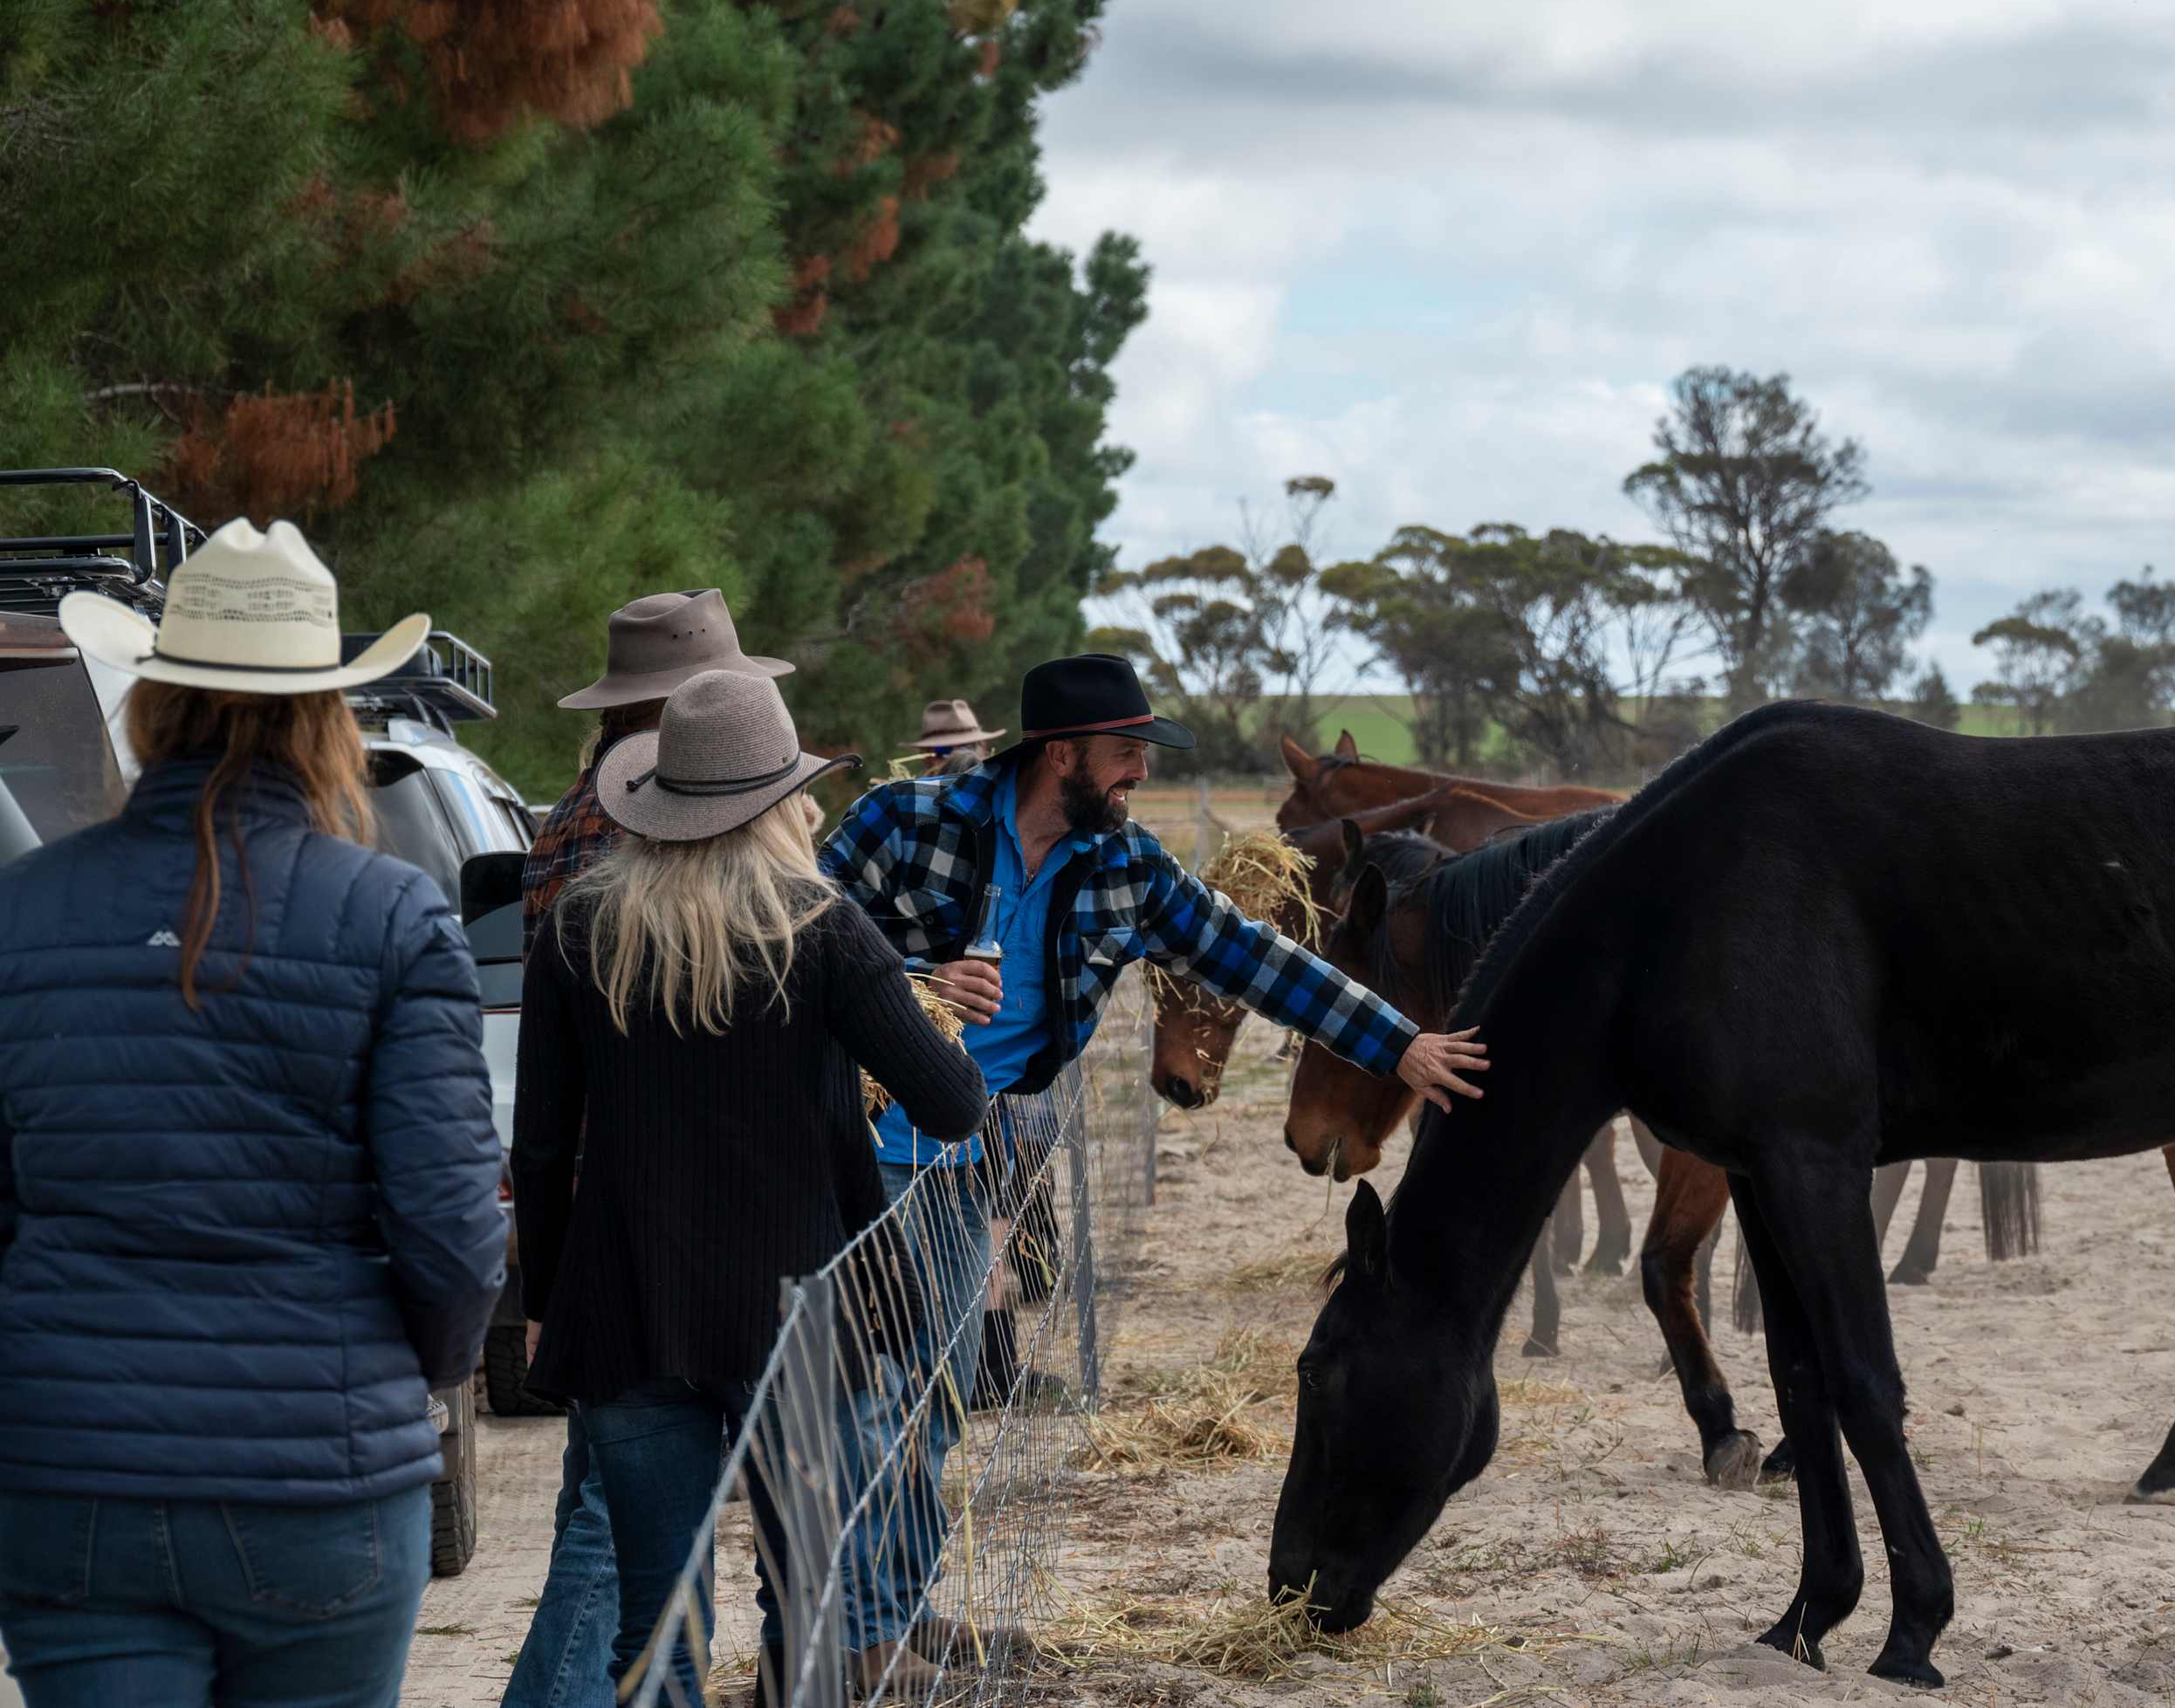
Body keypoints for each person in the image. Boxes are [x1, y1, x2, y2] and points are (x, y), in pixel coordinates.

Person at [822, 652, 1489, 1642]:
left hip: (963, 1149)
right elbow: (786, 934)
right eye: (1126, 752)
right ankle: (855, 1636)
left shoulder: (1124, 865)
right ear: (1061, 754)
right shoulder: (902, 820)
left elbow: (1252, 956)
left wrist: (1398, 1044)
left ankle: (896, 1616)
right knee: (875, 1398)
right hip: (854, 1144)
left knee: (938, 1394)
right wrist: (911, 980)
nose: (1141, 771)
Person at [0, 522, 504, 1708]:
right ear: (326, 719)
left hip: (71, 1466)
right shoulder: (392, 915)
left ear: (151, 704)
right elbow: (450, 1230)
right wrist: (405, 1374)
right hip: (320, 1473)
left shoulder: (21, 909)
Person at [511, 668, 985, 1700]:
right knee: (808, 1606)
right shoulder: (822, 927)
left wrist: (543, 1299)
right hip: (800, 1317)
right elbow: (953, 1106)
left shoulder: (581, 929)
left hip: (628, 1306)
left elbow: (539, 1149)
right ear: (783, 801)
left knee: (655, 1621)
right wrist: (916, 1017)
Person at [502, 588, 798, 1708]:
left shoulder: (570, 817)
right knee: (614, 1530)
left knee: (614, 1509)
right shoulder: (637, 828)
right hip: (644, 1211)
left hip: (601, 1212)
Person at [906, 696, 1004, 779]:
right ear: (926, 758)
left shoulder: (1004, 784)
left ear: (982, 747)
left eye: (968, 746)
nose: (960, 756)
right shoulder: (912, 792)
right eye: (944, 750)